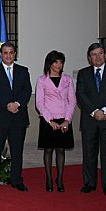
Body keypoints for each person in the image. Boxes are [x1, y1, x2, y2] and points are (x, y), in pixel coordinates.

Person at [76, 43, 106, 196]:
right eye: (94, 54)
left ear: (105, 54)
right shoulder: (83, 73)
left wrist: (104, 111)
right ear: (89, 58)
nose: (98, 57)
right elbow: (81, 95)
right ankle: (89, 183)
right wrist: (94, 111)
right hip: (90, 119)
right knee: (89, 153)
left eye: (100, 53)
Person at [0, 42, 32, 192]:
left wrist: (17, 104)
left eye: (11, 52)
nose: (8, 55)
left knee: (17, 151)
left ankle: (16, 180)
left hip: (18, 117)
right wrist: (8, 104)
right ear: (0, 55)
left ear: (15, 54)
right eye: (5, 53)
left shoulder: (23, 71)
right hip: (0, 116)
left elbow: (27, 91)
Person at [35, 50, 76, 192]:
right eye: (56, 62)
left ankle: (59, 178)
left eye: (61, 62)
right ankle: (48, 178)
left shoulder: (68, 79)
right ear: (49, 63)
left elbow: (72, 101)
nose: (59, 64)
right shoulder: (42, 80)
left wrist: (67, 120)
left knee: (60, 149)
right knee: (48, 149)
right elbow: (40, 103)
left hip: (64, 118)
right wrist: (49, 120)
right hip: (48, 119)